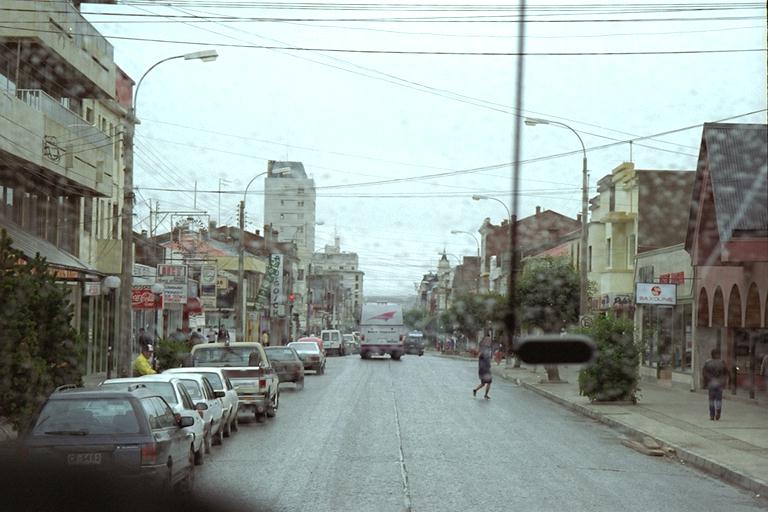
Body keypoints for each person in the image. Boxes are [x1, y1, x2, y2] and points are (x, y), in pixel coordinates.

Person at [702, 348, 728, 420]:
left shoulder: (708, 363)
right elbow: (726, 373)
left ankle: (712, 414)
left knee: (711, 399)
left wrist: (705, 383)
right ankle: (718, 411)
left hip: (711, 383)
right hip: (719, 383)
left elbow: (704, 373)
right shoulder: (722, 362)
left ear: (711, 355)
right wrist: (724, 382)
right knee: (718, 399)